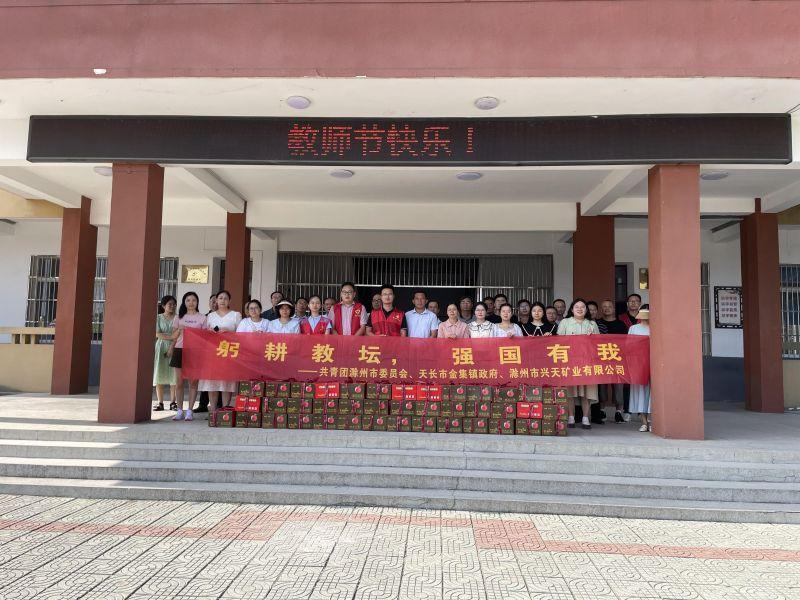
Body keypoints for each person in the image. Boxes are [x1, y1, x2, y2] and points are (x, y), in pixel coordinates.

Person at [557, 298, 600, 430]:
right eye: (577, 307)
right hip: (570, 362)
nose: (580, 309)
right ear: (572, 309)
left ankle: (585, 417)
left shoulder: (592, 324)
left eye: (582, 307)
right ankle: (571, 416)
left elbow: (599, 343)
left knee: (586, 391)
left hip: (587, 362)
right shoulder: (565, 322)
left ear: (586, 310)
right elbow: (558, 341)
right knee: (570, 390)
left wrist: (592, 339)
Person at [199, 290, 241, 411]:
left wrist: (229, 332)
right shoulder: (210, 316)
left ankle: (224, 412)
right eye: (220, 298)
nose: (223, 300)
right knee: (212, 383)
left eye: (225, 298)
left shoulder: (235, 315)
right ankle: (213, 412)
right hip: (212, 353)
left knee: (226, 383)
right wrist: (210, 332)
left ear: (229, 301)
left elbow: (241, 335)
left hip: (228, 352)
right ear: (216, 301)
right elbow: (204, 334)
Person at [170, 291, 207, 421]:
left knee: (193, 382)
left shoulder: (202, 318)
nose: (191, 303)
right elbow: (173, 336)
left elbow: (205, 337)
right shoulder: (178, 317)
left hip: (195, 352)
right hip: (179, 350)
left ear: (197, 302)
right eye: (188, 300)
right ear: (184, 302)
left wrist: (193, 331)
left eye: (194, 300)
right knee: (179, 382)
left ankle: (190, 411)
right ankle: (180, 410)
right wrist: (180, 330)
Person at [597, 299, 628, 423]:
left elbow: (626, 342)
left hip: (617, 359)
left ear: (613, 309)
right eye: (604, 306)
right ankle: (602, 410)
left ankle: (619, 412)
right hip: (601, 359)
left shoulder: (621, 324)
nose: (607, 308)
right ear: (601, 309)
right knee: (602, 386)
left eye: (609, 306)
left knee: (618, 386)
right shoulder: (597, 323)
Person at [628, 306, 652, 432]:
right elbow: (628, 346)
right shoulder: (633, 328)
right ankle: (643, 422)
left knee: (652, 393)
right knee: (640, 394)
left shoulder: (655, 328)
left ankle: (652, 421)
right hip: (638, 364)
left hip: (652, 363)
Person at [153, 295, 178, 412]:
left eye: (174, 304)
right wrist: (171, 336)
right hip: (161, 346)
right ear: (163, 306)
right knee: (159, 372)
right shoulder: (158, 318)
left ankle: (173, 402)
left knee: (174, 374)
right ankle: (160, 402)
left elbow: (178, 334)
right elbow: (157, 333)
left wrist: (172, 344)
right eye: (169, 304)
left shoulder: (178, 318)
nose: (172, 306)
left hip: (175, 346)